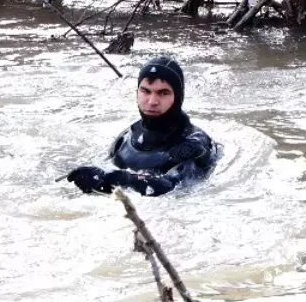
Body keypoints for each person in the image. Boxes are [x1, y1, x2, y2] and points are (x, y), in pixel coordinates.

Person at [66, 56, 217, 197]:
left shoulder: (194, 146)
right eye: (145, 91)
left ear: (178, 97)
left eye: (163, 93)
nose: (152, 101)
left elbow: (173, 186)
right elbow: (105, 173)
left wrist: (117, 178)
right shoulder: (126, 138)